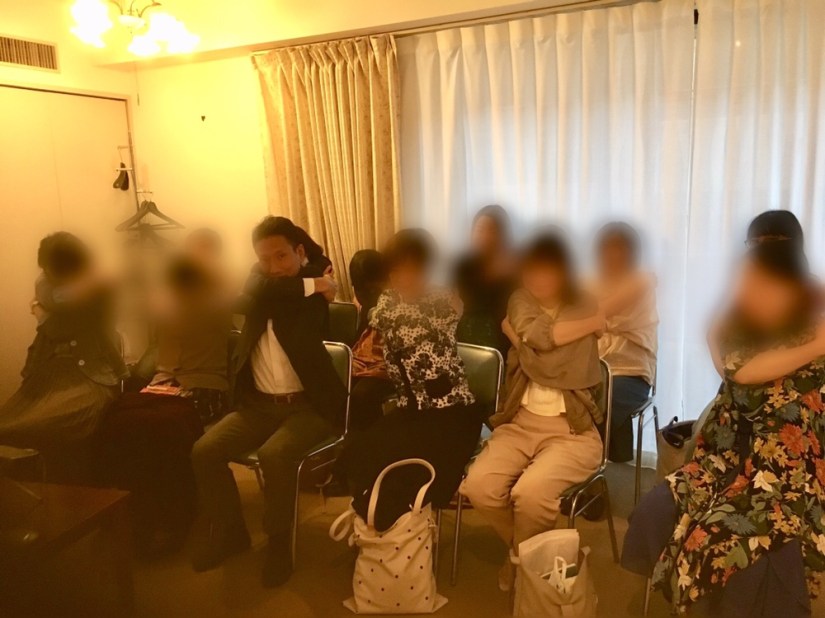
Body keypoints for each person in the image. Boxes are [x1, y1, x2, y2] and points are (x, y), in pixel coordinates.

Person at [622, 239, 825, 616]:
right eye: (745, 282)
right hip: (725, 460)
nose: (749, 294)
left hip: (792, 480)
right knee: (662, 511)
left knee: (718, 548)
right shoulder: (740, 331)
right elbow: (740, 369)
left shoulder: (813, 328)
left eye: (764, 285)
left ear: (795, 290)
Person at [190, 216, 346, 587]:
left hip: (308, 406)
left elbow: (271, 294)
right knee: (204, 450)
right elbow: (244, 297)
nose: (273, 267)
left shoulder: (313, 295)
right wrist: (312, 283)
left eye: (281, 256)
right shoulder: (294, 286)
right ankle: (232, 533)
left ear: (300, 252)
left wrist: (315, 282)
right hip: (259, 405)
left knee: (275, 455)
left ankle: (279, 543)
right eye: (263, 259)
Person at [461, 230, 604, 591]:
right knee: (478, 486)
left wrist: (518, 338)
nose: (538, 278)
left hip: (572, 430)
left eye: (547, 270)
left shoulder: (584, 304)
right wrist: (525, 338)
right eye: (531, 269)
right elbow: (543, 347)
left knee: (531, 493)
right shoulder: (520, 299)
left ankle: (520, 564)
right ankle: (529, 555)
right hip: (520, 423)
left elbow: (551, 366)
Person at [336, 229, 482, 531]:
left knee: (411, 469)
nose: (403, 276)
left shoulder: (441, 300)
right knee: (358, 455)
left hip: (451, 411)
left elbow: (419, 322)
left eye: (413, 268)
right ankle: (383, 532)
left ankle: (405, 536)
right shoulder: (388, 302)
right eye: (396, 269)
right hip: (410, 410)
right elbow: (381, 315)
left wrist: (393, 309)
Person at [96, 239, 233, 557]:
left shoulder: (218, 302)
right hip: (163, 385)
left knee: (163, 428)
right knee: (118, 420)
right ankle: (133, 511)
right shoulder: (168, 305)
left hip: (205, 387)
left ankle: (174, 516)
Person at [0, 232, 127, 484]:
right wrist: (48, 306)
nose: (47, 274)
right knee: (10, 425)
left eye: (52, 270)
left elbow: (61, 326)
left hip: (90, 378)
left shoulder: (100, 290)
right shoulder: (48, 283)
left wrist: (41, 314)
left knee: (45, 425)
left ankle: (67, 493)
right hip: (47, 376)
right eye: (46, 270)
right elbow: (53, 296)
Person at [591, 222, 658, 463]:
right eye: (607, 247)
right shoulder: (589, 282)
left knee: (593, 403)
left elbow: (597, 312)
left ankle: (587, 467)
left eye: (620, 248)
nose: (613, 254)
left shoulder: (643, 280)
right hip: (592, 368)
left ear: (632, 252)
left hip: (631, 373)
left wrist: (588, 321)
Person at [453, 205, 516, 357]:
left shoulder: (514, 267)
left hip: (500, 339)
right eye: (480, 230)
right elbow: (457, 305)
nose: (485, 236)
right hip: (465, 338)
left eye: (492, 231)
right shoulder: (463, 265)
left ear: (503, 235)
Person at [347, 250, 395, 431]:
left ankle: (371, 437)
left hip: (392, 360)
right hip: (368, 355)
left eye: (373, 289)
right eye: (359, 288)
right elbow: (363, 333)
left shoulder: (397, 295)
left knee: (362, 395)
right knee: (340, 385)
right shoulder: (367, 298)